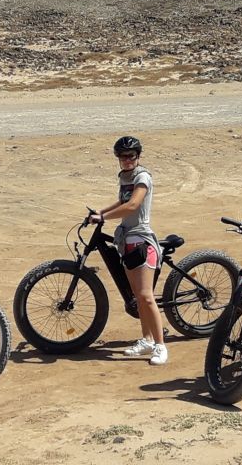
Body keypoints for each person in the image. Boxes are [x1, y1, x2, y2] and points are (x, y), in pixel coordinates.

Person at [89, 136, 168, 366]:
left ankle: (161, 346)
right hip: (127, 239)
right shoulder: (125, 177)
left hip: (142, 240)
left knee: (146, 296)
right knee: (138, 298)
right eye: (122, 157)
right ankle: (146, 339)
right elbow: (121, 202)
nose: (127, 160)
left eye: (131, 156)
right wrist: (100, 211)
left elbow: (133, 205)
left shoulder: (142, 177)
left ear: (138, 156)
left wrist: (103, 217)